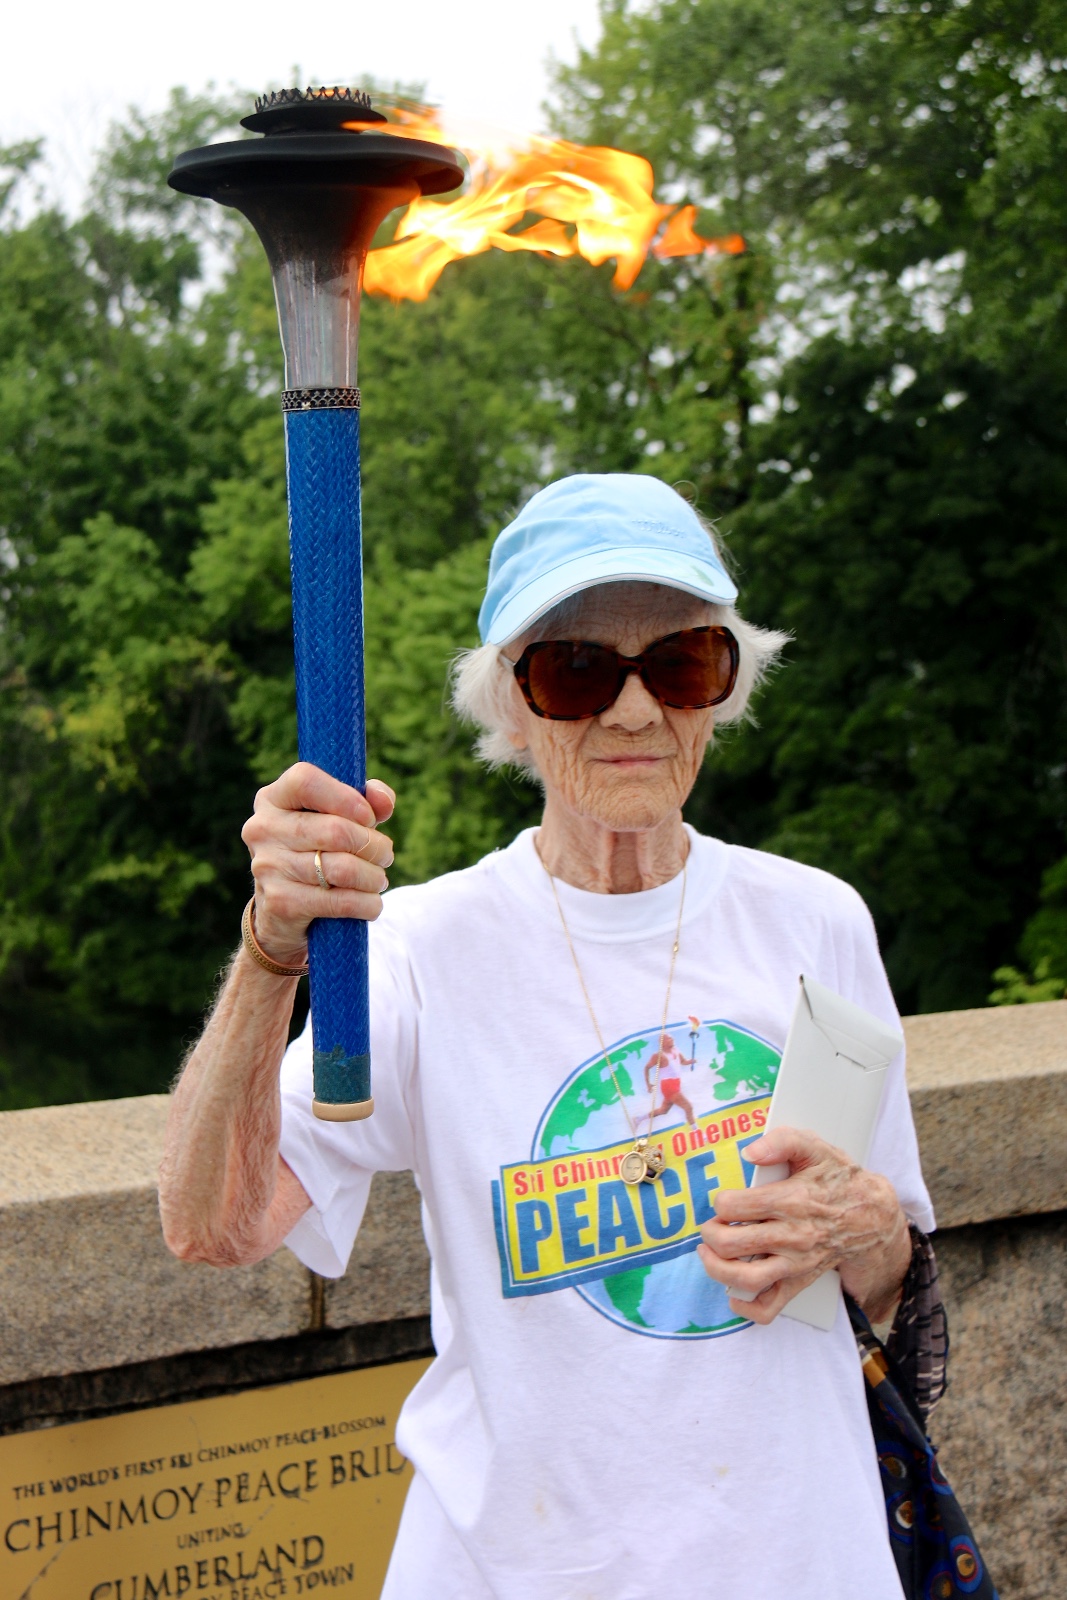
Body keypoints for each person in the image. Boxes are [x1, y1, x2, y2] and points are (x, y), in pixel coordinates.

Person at [160, 473, 939, 1600]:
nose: (633, 712)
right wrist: (271, 952)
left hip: (797, 1564)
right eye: (575, 670)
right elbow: (211, 1225)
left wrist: (865, 1228)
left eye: (679, 663)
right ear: (512, 707)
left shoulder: (816, 919)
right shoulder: (421, 949)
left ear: (723, 687)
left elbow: (888, 1278)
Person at [643, 1031, 697, 1127]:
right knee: (688, 1107)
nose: (672, 1039)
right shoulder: (659, 1056)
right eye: (669, 1038)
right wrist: (648, 1084)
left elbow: (683, 1061)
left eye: (672, 1038)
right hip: (668, 1086)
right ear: (662, 1042)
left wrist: (690, 1061)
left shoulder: (675, 1050)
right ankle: (697, 1132)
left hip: (676, 1083)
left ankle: (638, 1119)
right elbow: (647, 1067)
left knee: (663, 1110)